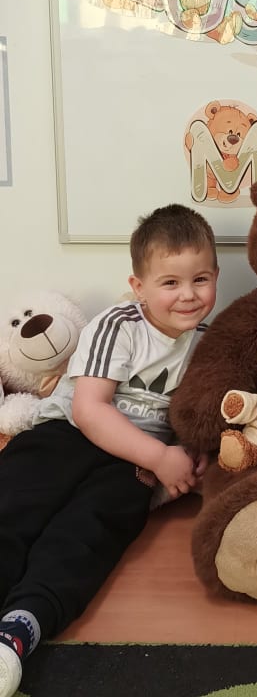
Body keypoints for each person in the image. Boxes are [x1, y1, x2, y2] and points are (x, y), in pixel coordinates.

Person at [0, 204, 219, 697]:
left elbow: (200, 411)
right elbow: (89, 410)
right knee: (15, 502)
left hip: (129, 463)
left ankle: (21, 626)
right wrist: (160, 458)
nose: (188, 294)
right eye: (170, 282)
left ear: (215, 278)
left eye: (200, 279)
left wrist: (191, 450)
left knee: (89, 532)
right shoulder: (119, 324)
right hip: (67, 434)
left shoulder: (210, 344)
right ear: (139, 287)